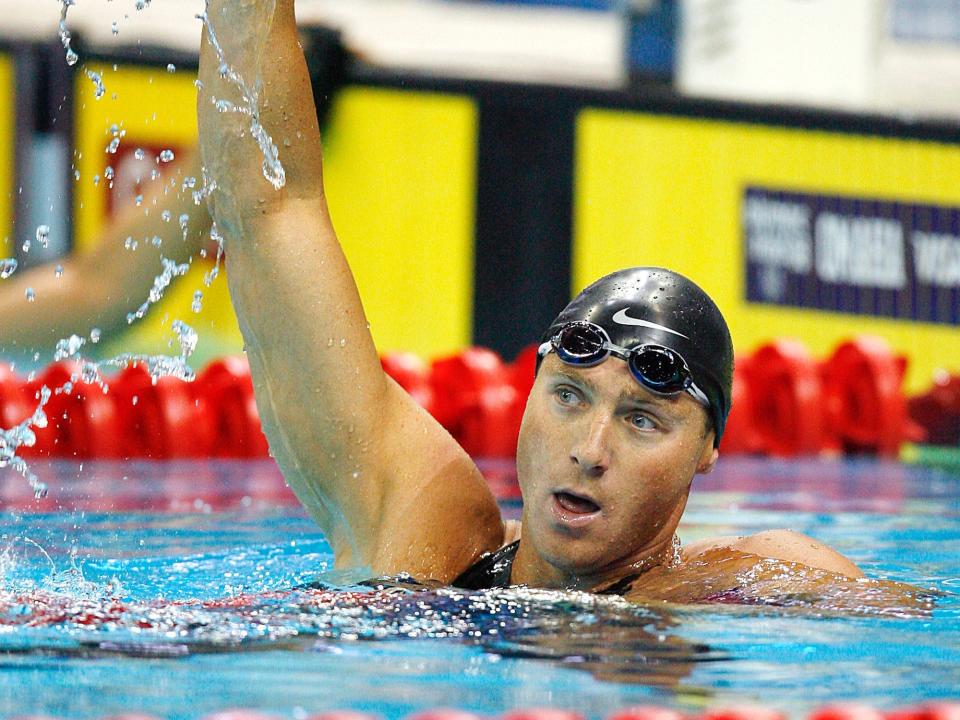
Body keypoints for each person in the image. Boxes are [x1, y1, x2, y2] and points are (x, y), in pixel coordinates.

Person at [195, 0, 925, 606]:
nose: (589, 450)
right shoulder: (426, 529)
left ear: (707, 450)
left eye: (642, 419)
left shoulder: (739, 583)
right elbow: (269, 212)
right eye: (570, 397)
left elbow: (904, 626)